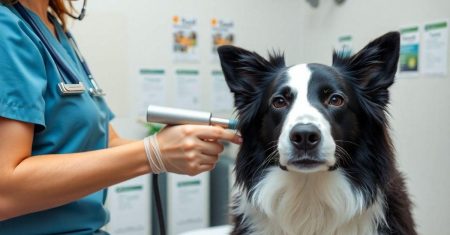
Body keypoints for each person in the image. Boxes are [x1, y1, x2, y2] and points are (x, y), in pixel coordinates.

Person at [0, 0, 241, 234]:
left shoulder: (57, 31)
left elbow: (107, 142)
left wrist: (180, 144)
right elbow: (5, 192)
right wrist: (153, 153)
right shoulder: (6, 30)